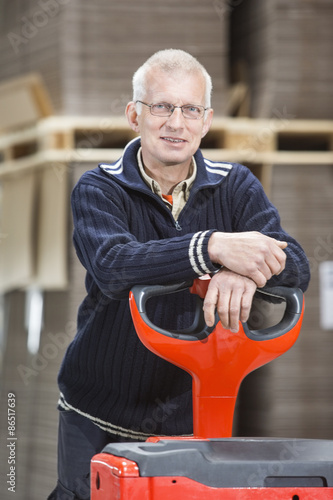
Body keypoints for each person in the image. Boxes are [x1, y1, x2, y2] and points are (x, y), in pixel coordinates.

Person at [48, 49, 310, 499]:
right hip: (96, 416)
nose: (176, 123)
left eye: (190, 109)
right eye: (162, 107)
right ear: (134, 115)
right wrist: (212, 247)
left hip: (190, 417)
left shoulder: (237, 185)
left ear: (206, 121)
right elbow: (115, 265)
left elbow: (297, 265)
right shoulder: (99, 188)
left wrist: (243, 274)